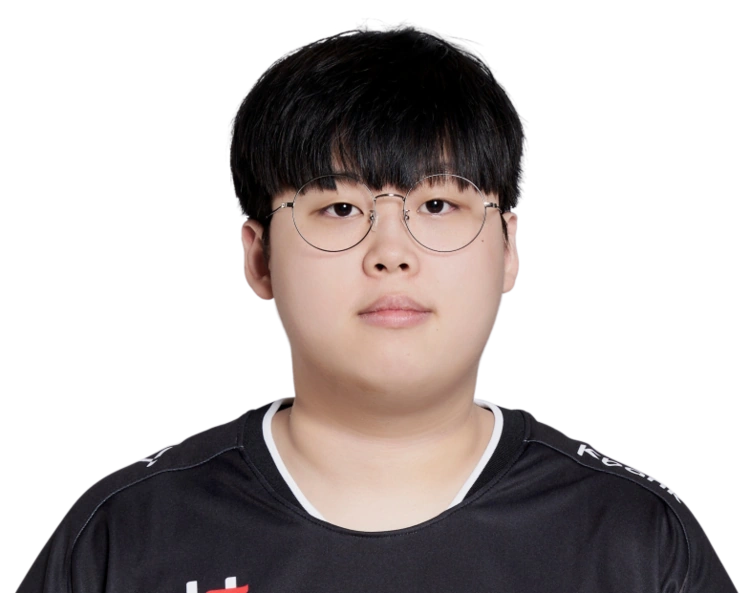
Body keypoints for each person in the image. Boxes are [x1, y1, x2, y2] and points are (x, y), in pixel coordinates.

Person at [18, 20, 737, 592]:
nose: (390, 251)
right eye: (338, 208)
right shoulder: (123, 537)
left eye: (438, 204)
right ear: (258, 258)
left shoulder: (635, 541)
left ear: (509, 250)